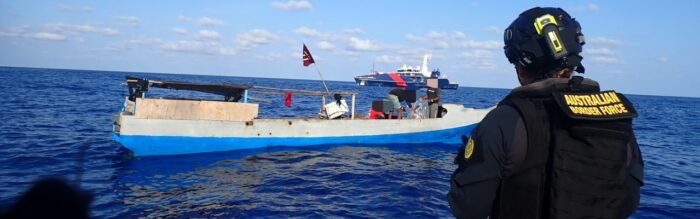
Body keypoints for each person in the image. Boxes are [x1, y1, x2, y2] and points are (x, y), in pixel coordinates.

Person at [447, 7, 643, 219]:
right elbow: (629, 201)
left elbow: (467, 208)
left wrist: (467, 166)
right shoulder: (616, 120)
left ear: (522, 64)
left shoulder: (506, 120)